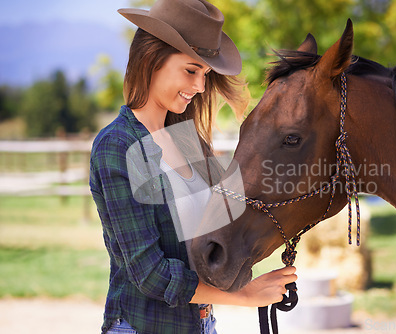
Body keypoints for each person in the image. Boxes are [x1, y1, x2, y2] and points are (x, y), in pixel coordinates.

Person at [89, 0, 297, 333]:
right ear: (151, 59)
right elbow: (150, 273)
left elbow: (218, 239)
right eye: (191, 70)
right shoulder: (119, 145)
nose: (200, 87)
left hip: (202, 325)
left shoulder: (187, 141)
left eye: (205, 74)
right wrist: (246, 296)